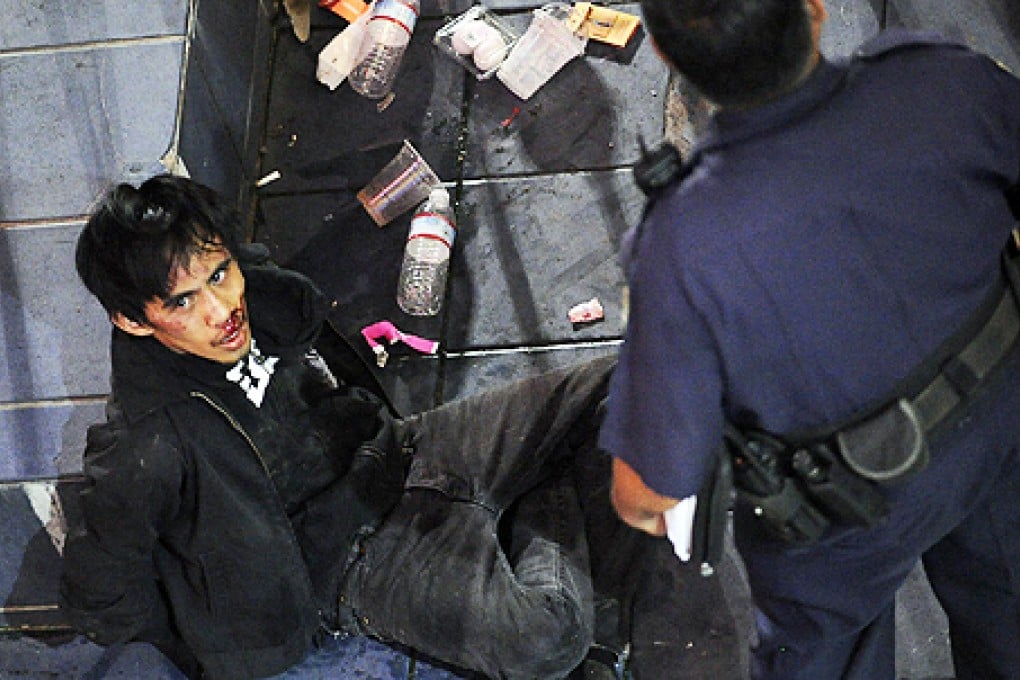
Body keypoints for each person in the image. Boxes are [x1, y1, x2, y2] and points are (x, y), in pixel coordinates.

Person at [59, 174, 628, 680]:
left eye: (219, 273)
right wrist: (207, 644)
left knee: (627, 381)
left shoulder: (247, 292)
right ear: (133, 320)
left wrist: (246, 269)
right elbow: (99, 594)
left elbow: (302, 309)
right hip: (352, 559)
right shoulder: (147, 443)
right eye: (183, 301)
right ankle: (541, 486)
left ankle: (532, 486)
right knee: (547, 638)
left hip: (400, 449)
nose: (220, 310)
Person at [599, 0, 1020, 678]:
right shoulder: (945, 80)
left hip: (839, 518)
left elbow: (646, 496)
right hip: (999, 431)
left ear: (665, 56)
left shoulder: (682, 248)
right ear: (816, 11)